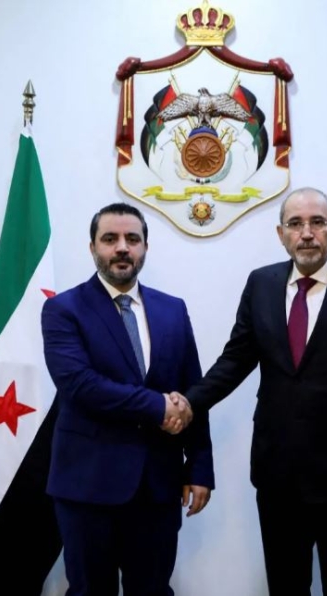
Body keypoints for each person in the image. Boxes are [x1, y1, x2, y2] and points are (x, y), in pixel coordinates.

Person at [181, 187, 327, 596]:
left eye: (318, 223)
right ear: (280, 233)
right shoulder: (261, 284)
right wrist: (188, 403)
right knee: (285, 586)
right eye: (295, 224)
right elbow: (235, 360)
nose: (306, 233)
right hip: (278, 472)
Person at [41, 202, 214, 596]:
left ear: (145, 248)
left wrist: (199, 467)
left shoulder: (172, 309)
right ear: (92, 248)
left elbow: (192, 389)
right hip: (87, 487)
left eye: (132, 239)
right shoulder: (63, 309)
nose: (122, 247)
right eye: (110, 239)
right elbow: (80, 385)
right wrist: (158, 407)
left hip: (157, 486)